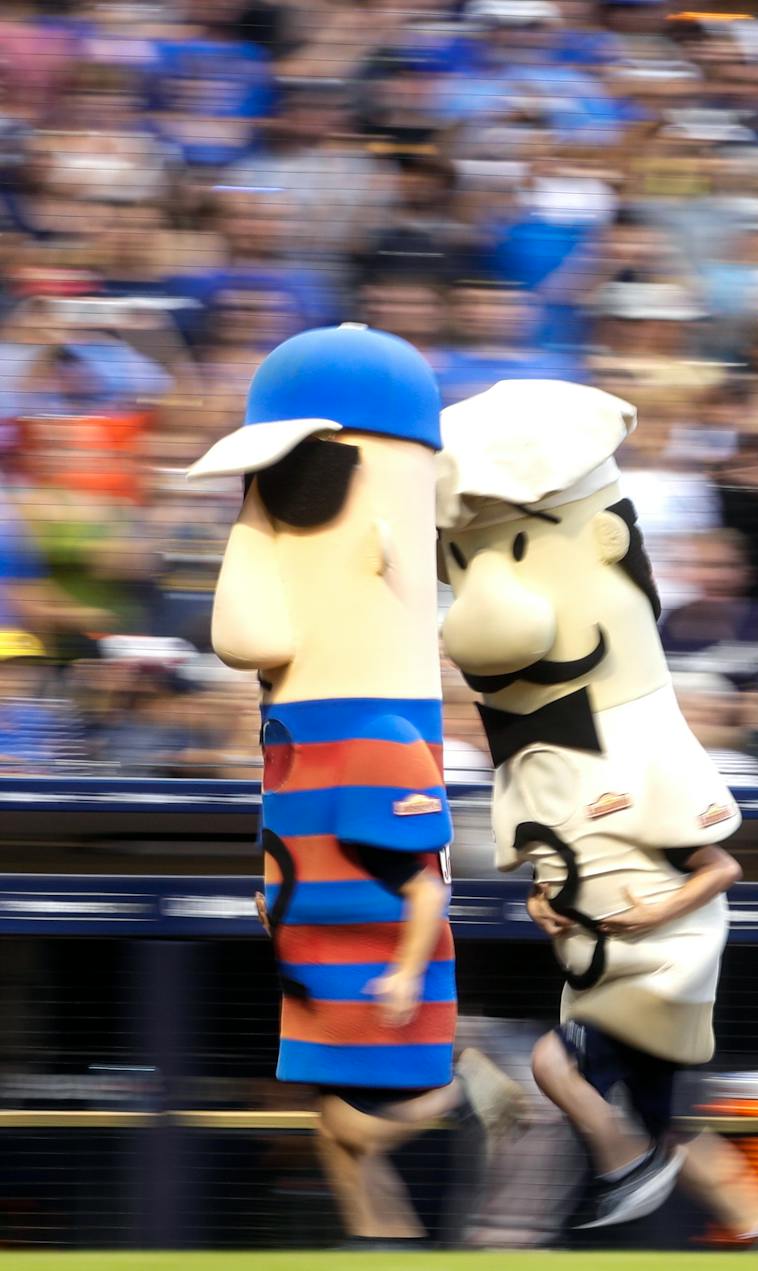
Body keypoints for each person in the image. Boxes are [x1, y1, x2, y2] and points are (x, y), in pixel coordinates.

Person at [436, 379, 758, 1250]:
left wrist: (654, 908)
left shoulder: (641, 739)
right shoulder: (531, 762)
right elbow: (556, 856)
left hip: (653, 949)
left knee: (554, 1068)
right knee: (665, 1118)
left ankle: (625, 1168)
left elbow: (720, 866)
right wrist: (545, 897)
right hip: (598, 946)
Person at [189, 326, 523, 1247]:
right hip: (331, 962)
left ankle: (471, 1085)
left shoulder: (375, 740)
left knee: (358, 1120)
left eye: (286, 488)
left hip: (379, 975)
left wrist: (408, 972)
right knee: (336, 1124)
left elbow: (422, 883)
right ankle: (385, 1241)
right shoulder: (316, 729)